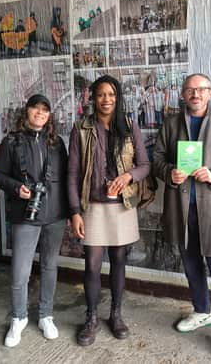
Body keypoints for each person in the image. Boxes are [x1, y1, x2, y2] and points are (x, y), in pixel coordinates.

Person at [152, 73, 211, 364]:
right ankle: (202, 311)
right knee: (191, 263)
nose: (195, 94)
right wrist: (169, 172)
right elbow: (156, 159)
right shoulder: (170, 124)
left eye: (201, 90)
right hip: (182, 208)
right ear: (182, 94)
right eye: (190, 90)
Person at [68, 75, 150, 347]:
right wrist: (75, 212)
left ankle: (115, 314)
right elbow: (72, 175)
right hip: (92, 207)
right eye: (101, 94)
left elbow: (145, 165)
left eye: (112, 94)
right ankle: (91, 317)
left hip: (122, 206)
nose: (106, 100)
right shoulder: (80, 128)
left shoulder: (128, 126)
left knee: (118, 261)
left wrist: (128, 177)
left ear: (118, 97)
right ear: (93, 98)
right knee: (91, 265)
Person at [0, 94, 69, 347]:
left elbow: (67, 178)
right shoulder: (11, 142)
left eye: (45, 110)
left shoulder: (57, 143)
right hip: (25, 215)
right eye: (35, 108)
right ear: (26, 111)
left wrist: (71, 211)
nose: (39, 113)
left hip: (54, 215)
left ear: (49, 115)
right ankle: (19, 317)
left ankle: (46, 315)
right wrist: (17, 188)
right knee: (20, 271)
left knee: (49, 266)